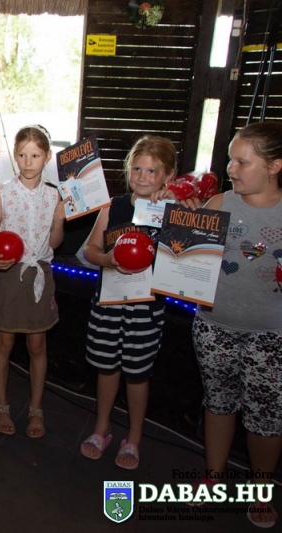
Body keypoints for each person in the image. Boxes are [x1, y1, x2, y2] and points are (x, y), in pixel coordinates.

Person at [190, 122, 282, 529]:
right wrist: (181, 221)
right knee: (218, 403)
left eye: (242, 162)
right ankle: (213, 477)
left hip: (273, 336)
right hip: (214, 327)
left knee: (266, 419)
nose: (230, 168)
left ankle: (260, 489)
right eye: (230, 159)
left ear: (275, 166)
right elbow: (187, 259)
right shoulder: (218, 203)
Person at [79, 135, 177, 469]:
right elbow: (90, 250)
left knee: (137, 374)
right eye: (137, 168)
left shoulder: (172, 211)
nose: (142, 177)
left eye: (152, 171)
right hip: (108, 303)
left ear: (168, 175)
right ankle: (101, 429)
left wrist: (177, 205)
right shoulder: (114, 206)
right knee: (106, 368)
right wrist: (107, 260)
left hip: (147, 309)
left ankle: (134, 438)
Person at [0, 125, 65, 437]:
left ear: (47, 157)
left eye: (35, 155)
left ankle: (35, 408)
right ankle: (1, 404)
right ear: (14, 156)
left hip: (39, 274)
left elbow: (54, 242)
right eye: (22, 155)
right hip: (9, 275)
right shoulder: (3, 194)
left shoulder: (54, 195)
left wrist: (59, 220)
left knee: (37, 344)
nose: (28, 162)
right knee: (3, 342)